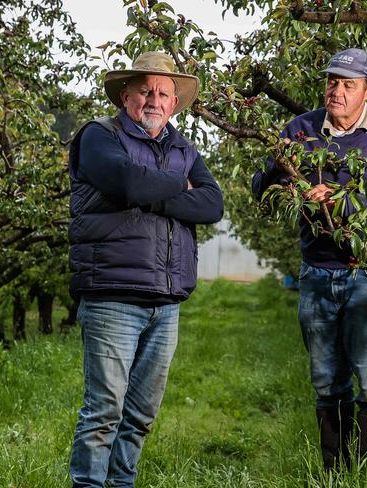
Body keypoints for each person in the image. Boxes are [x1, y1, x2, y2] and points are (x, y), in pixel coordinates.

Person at [252, 48, 367, 470]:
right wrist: (279, 168)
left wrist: (347, 201)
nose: (337, 91)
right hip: (317, 274)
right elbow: (263, 190)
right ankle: (336, 474)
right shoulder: (302, 128)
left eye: (349, 84)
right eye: (332, 81)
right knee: (328, 386)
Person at [68, 51, 223, 487]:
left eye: (163, 93)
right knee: (104, 412)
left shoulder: (182, 147)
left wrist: (152, 192)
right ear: (125, 95)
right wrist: (179, 186)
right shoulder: (100, 136)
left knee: (139, 416)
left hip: (166, 299)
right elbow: (126, 181)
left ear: (174, 103)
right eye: (144, 90)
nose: (154, 99)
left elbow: (213, 203)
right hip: (112, 293)